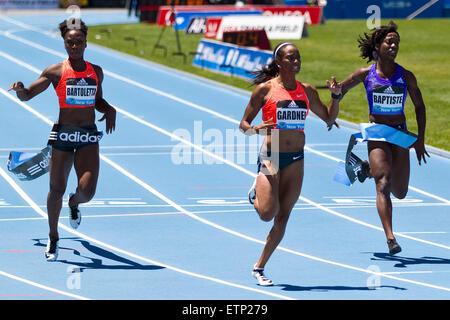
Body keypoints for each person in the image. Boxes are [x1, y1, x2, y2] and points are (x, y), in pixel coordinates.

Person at [8, 19, 116, 261]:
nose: (75, 46)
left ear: (86, 43)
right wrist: (21, 89)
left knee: (87, 192)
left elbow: (97, 100)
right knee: (56, 189)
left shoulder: (95, 71)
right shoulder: (55, 71)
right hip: (64, 135)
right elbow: (28, 96)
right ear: (65, 44)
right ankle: (54, 236)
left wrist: (109, 108)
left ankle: (74, 203)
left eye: (79, 42)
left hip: (87, 134)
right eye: (70, 42)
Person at [239, 42, 342, 286]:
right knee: (267, 214)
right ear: (279, 63)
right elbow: (242, 124)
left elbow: (329, 117)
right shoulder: (265, 90)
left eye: (298, 57)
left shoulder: (306, 91)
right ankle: (256, 192)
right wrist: (255, 129)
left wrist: (336, 97)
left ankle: (259, 266)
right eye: (290, 57)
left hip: (296, 157)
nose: (296, 61)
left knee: (282, 218)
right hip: (271, 154)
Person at [338, 21, 429, 255]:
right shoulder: (365, 74)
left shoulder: (406, 76)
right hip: (377, 132)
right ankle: (390, 238)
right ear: (378, 46)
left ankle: (366, 169)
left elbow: (419, 106)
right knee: (384, 184)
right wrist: (334, 95)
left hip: (399, 132)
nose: (394, 46)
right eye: (389, 41)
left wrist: (420, 139)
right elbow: (340, 90)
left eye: (396, 42)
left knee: (400, 192)